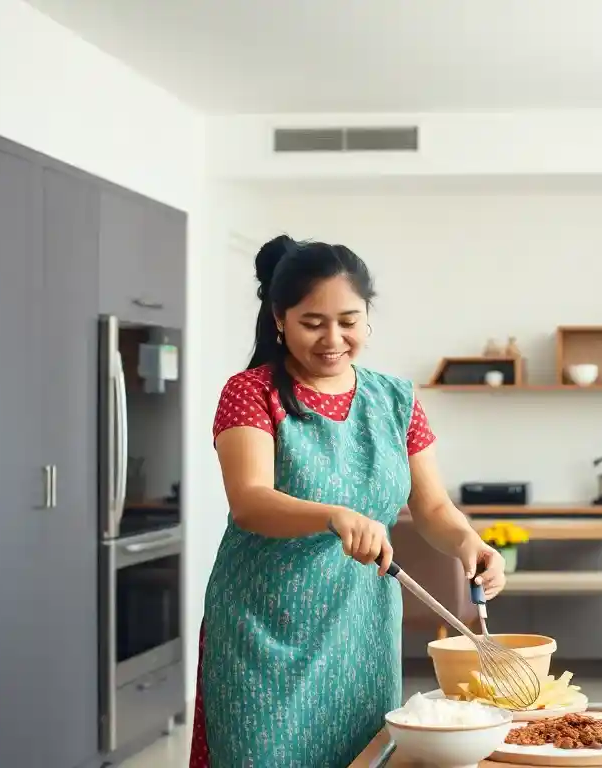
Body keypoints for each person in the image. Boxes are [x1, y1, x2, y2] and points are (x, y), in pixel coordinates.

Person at [189, 235, 507, 767]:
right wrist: (331, 515)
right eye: (313, 322)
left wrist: (470, 543)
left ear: (368, 319)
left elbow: (432, 509)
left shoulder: (397, 400)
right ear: (280, 319)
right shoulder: (251, 392)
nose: (332, 338)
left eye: (348, 320)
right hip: (264, 631)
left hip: (360, 632)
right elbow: (250, 500)